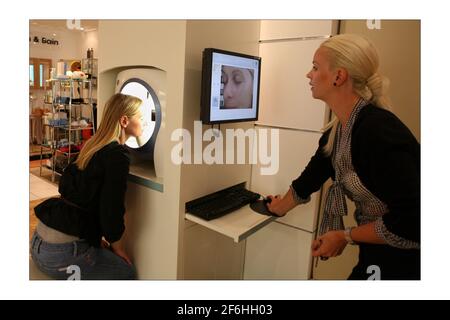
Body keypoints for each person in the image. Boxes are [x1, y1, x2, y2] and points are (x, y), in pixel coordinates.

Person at [266, 34, 420, 280]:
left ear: (339, 76)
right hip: (379, 254)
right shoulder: (339, 130)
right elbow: (312, 176)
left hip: (408, 259)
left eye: (315, 67)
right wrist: (278, 207)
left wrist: (345, 235)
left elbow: (413, 221)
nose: (309, 75)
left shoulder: (377, 131)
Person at [31, 93, 143, 280]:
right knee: (127, 272)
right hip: (60, 254)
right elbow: (111, 209)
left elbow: (80, 197)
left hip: (37, 244)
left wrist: (97, 240)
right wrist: (118, 247)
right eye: (141, 117)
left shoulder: (92, 145)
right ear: (124, 120)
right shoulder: (118, 154)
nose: (144, 122)